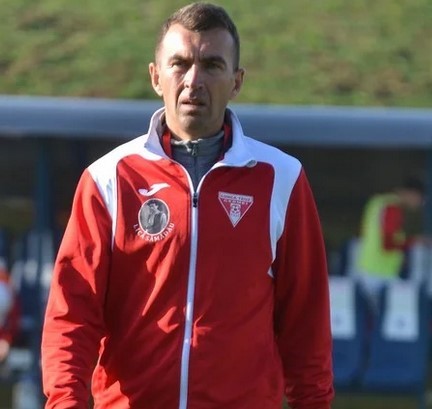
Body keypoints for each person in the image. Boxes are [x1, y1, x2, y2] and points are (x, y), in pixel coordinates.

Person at [41, 3, 334, 408]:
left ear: (236, 81)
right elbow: (72, 313)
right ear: (155, 76)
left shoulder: (281, 178)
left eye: (212, 65)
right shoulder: (108, 179)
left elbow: (307, 322)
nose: (194, 80)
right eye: (179, 64)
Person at [355, 176, 426, 310]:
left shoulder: (377, 203)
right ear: (411, 193)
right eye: (420, 199)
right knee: (405, 309)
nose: (419, 204)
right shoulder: (392, 209)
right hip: (380, 275)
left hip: (367, 268)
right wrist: (415, 241)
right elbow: (387, 244)